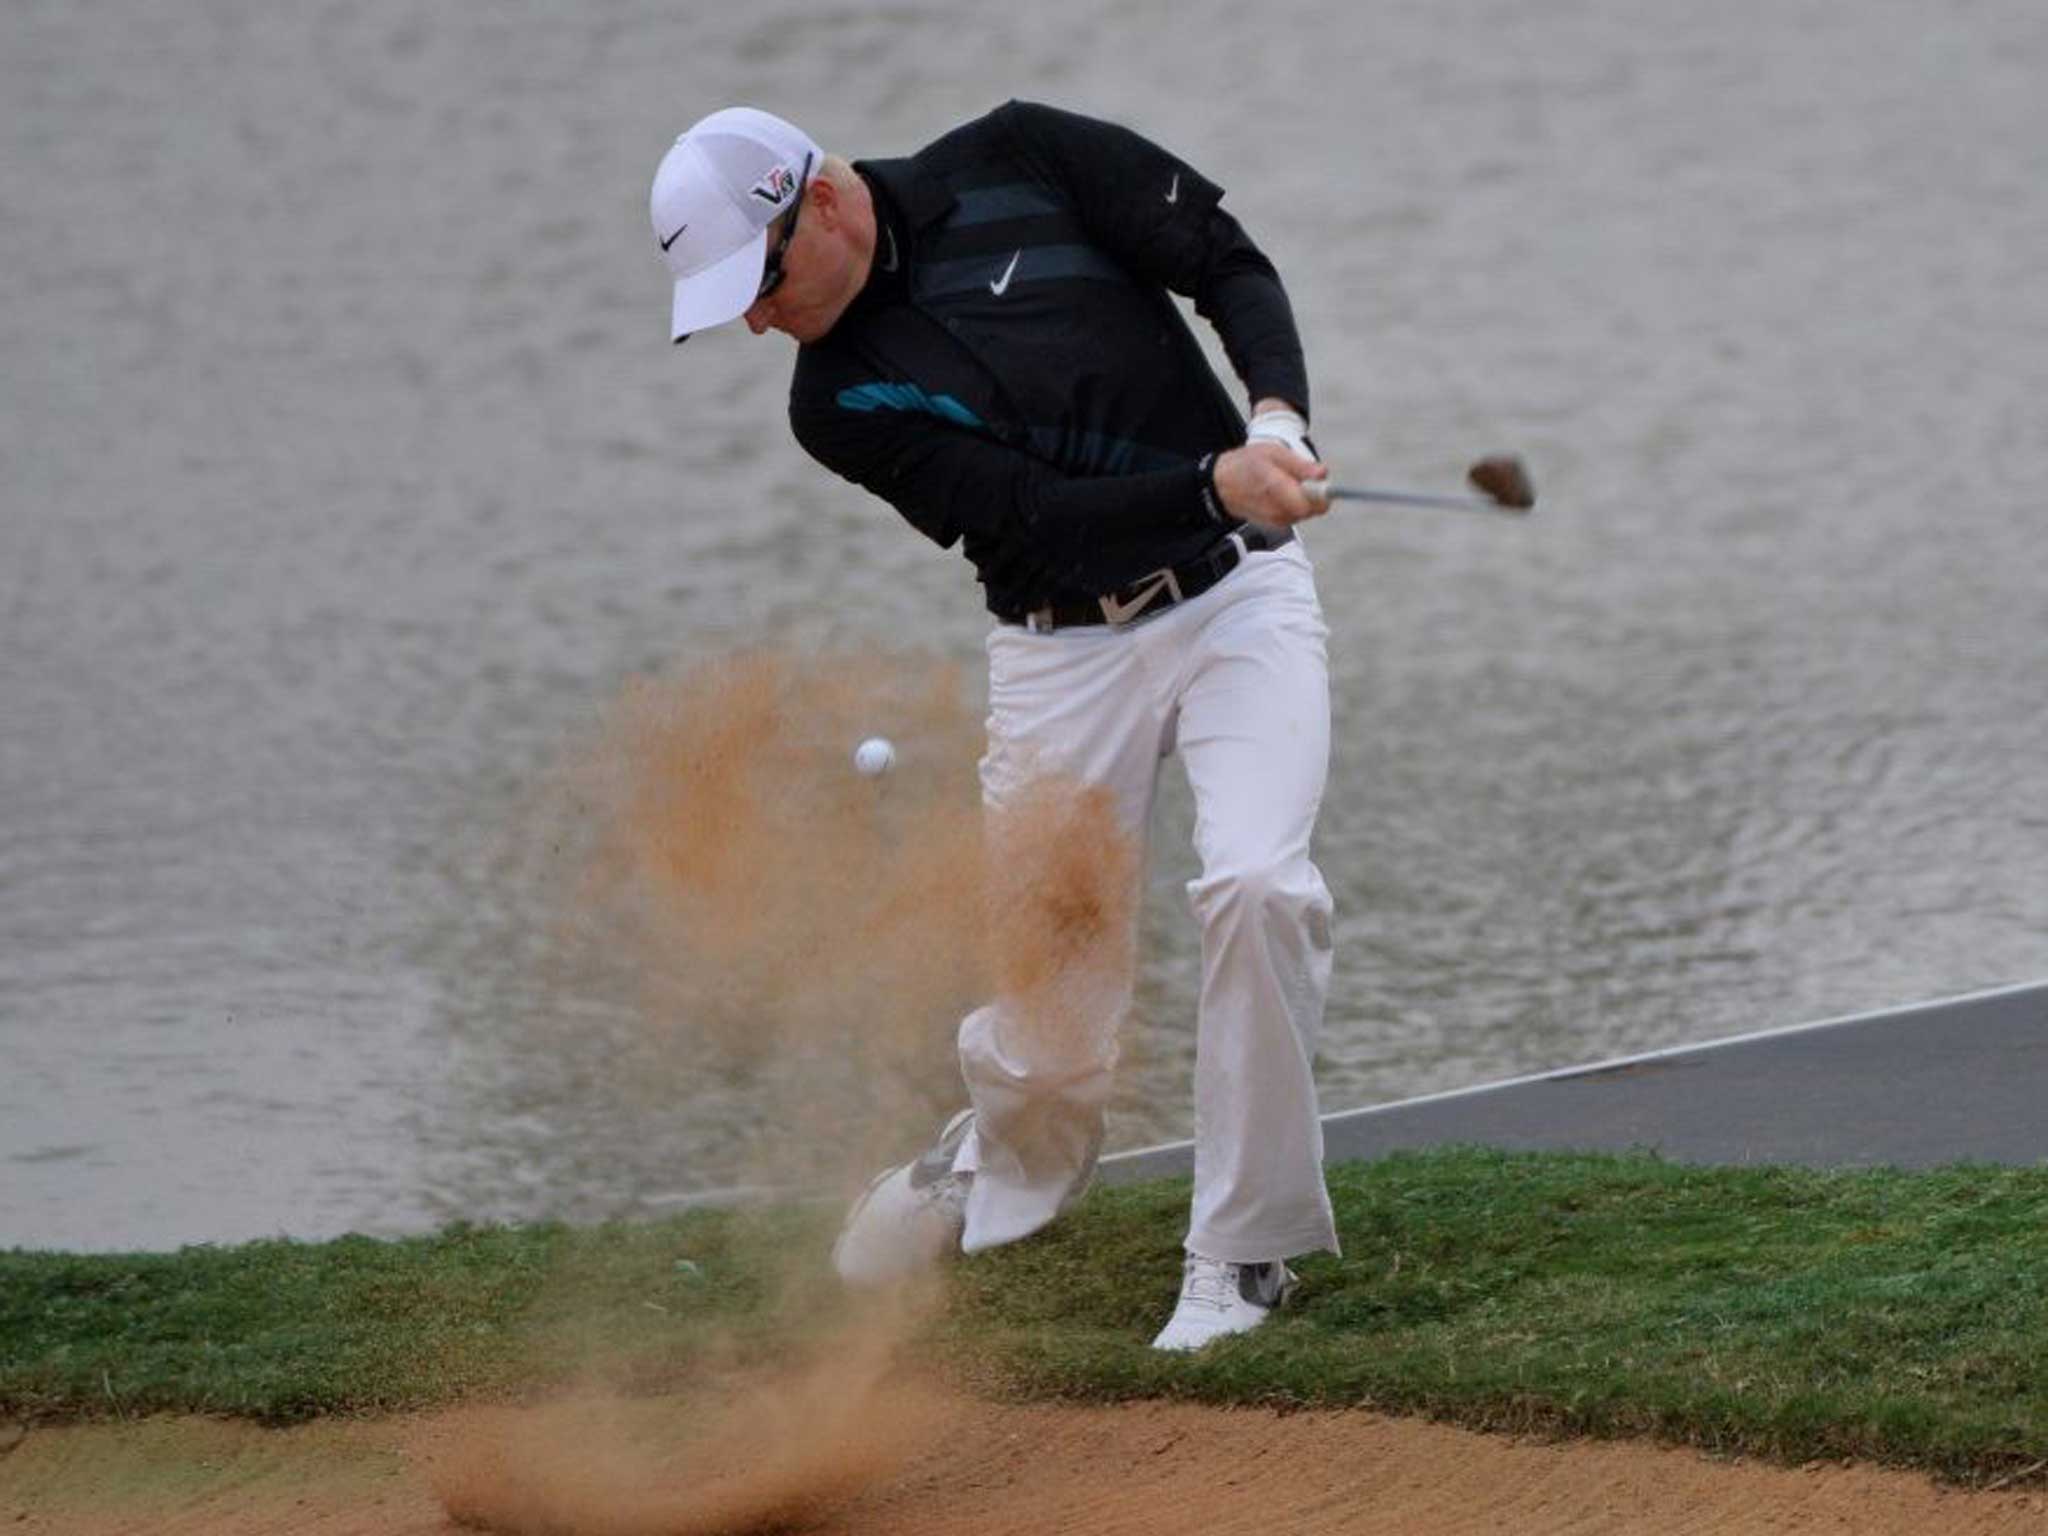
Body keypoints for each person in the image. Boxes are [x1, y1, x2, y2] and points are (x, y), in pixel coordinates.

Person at [649, 102, 1339, 1350]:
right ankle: (997, 1153)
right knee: (1053, 1029)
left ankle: (1244, 1255)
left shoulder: (1022, 157)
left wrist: (1274, 420)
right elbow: (1028, 514)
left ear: (821, 200)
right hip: (1055, 647)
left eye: (756, 281)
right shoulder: (836, 402)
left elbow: (1222, 258)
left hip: (1239, 595)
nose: (754, 318)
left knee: (1255, 888)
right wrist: (1202, 478)